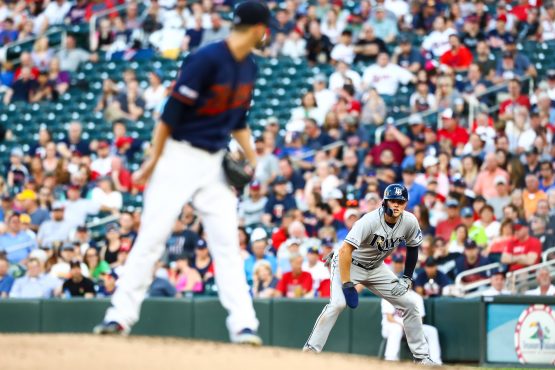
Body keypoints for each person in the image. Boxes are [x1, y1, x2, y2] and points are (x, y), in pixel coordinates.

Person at [94, 1, 270, 346]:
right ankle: (118, 317)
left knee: (227, 247)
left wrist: (253, 158)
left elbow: (238, 120)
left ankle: (244, 326)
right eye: (265, 29)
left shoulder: (249, 67)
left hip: (214, 163)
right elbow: (170, 113)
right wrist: (152, 160)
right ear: (257, 29)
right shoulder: (205, 59)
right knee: (151, 239)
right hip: (177, 156)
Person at [303, 184, 434, 364]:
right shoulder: (369, 220)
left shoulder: (409, 221)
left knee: (410, 304)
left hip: (376, 268)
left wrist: (407, 277)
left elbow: (413, 248)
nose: (396, 205)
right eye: (393, 201)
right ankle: (311, 349)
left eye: (401, 202)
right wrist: (348, 283)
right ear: (384, 201)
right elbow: (345, 250)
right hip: (349, 264)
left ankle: (422, 358)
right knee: (338, 304)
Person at [380, 293, 442, 364]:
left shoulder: (416, 297)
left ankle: (436, 362)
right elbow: (389, 318)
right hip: (391, 326)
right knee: (396, 329)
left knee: (432, 331)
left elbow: (420, 319)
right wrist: (403, 326)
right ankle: (390, 359)